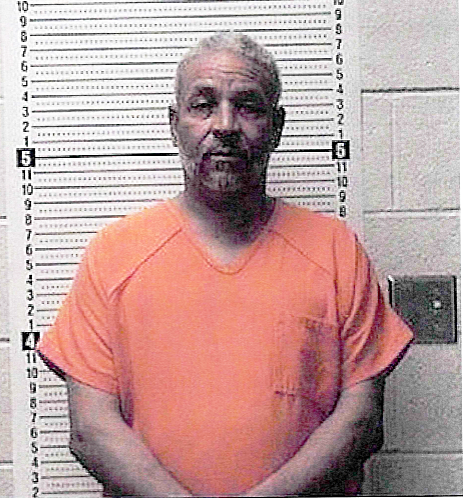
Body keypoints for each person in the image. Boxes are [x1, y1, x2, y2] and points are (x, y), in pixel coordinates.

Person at [37, 32, 413, 497]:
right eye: (203, 105)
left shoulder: (335, 250)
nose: (226, 125)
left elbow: (362, 421)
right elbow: (90, 429)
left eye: (248, 107)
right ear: (174, 125)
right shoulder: (114, 254)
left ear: (276, 127)